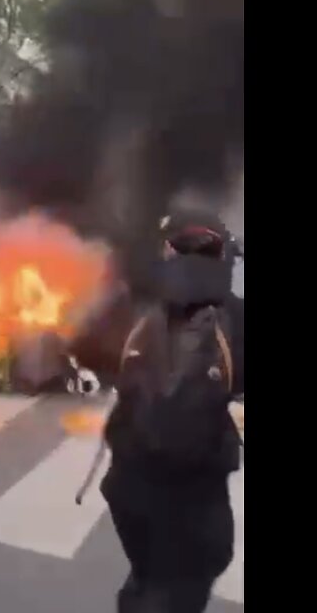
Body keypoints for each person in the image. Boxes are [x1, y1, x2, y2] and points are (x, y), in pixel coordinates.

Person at [98, 208, 244, 613]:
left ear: (168, 248)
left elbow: (92, 356)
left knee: (147, 578)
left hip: (130, 487)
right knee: (177, 587)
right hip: (195, 498)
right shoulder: (234, 314)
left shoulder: (132, 304)